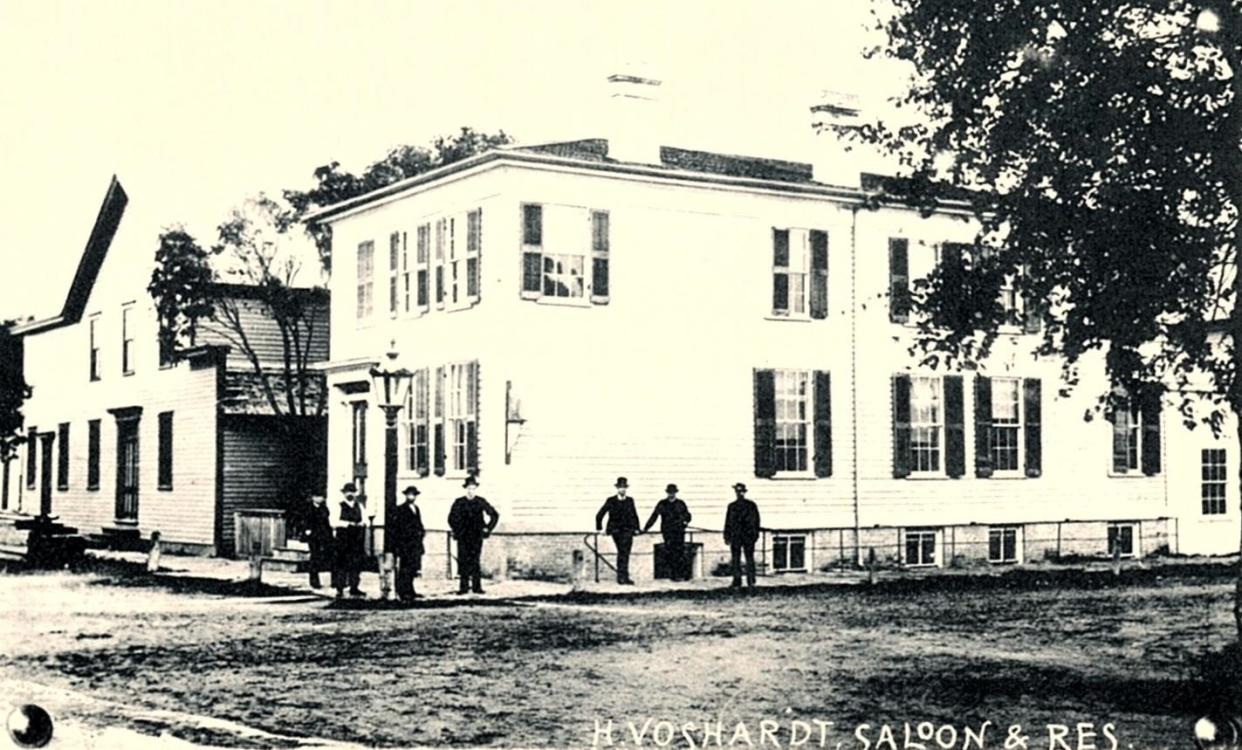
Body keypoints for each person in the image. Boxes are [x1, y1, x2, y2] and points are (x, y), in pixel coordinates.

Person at [447, 474, 500, 594]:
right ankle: (463, 587)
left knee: (475, 560)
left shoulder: (480, 501)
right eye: (469, 488)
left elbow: (494, 515)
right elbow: (451, 518)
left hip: (476, 536)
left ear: (476, 489)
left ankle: (477, 587)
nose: (471, 491)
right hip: (463, 536)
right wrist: (457, 530)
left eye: (473, 488)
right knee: (463, 560)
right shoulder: (459, 502)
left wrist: (488, 528)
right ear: (465, 489)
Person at [643, 483, 693, 581]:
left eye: (673, 492)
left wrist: (685, 521)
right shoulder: (662, 504)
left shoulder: (680, 503)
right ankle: (673, 575)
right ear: (667, 493)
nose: (671, 494)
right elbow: (654, 516)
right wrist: (646, 528)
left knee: (680, 552)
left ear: (676, 493)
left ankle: (683, 574)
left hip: (679, 531)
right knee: (670, 552)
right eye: (669, 492)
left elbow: (688, 515)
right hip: (667, 532)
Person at [595, 477, 640, 585]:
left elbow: (634, 515)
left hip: (628, 530)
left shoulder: (630, 500)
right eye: (620, 487)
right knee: (622, 552)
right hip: (616, 531)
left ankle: (624, 577)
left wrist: (637, 528)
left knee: (625, 553)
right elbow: (600, 514)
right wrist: (599, 528)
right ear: (617, 489)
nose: (622, 490)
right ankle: (621, 577)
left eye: (624, 487)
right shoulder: (611, 501)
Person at [389, 485, 426, 601]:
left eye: (414, 495)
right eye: (410, 494)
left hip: (415, 543)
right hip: (405, 544)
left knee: (413, 568)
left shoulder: (416, 508)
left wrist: (421, 532)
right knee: (405, 568)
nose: (412, 497)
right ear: (406, 496)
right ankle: (402, 591)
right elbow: (398, 528)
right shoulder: (400, 509)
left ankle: (410, 589)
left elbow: (418, 523)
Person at [333, 482, 368, 599]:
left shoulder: (360, 506)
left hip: (356, 539)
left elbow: (366, 520)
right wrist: (348, 524)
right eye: (347, 492)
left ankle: (354, 587)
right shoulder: (339, 506)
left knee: (356, 563)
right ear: (343, 493)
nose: (350, 494)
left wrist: (361, 523)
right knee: (342, 564)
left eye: (352, 492)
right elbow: (333, 521)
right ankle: (340, 588)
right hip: (343, 539)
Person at [723, 482, 761, 589]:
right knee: (736, 559)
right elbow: (728, 522)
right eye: (737, 492)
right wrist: (727, 535)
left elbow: (756, 521)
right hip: (736, 536)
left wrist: (755, 534)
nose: (739, 494)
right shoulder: (732, 506)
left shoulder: (751, 506)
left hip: (748, 536)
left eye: (741, 491)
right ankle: (737, 580)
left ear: (745, 492)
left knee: (749, 557)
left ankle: (751, 580)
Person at [302, 492, 334, 589]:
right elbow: (305, 521)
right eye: (318, 496)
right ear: (313, 498)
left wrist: (330, 534)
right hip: (314, 536)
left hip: (324, 535)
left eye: (322, 497)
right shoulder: (308, 509)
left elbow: (327, 522)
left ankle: (335, 582)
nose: (320, 499)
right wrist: (307, 531)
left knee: (331, 556)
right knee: (314, 557)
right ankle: (314, 581)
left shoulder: (324, 509)